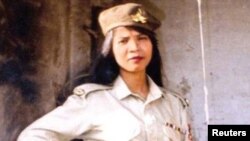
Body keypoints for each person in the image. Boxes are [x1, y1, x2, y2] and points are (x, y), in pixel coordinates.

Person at [17, 2, 192, 141]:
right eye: (123, 41)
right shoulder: (93, 101)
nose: (134, 48)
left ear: (152, 45)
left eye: (142, 38)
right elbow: (33, 136)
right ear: (110, 50)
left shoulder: (175, 105)